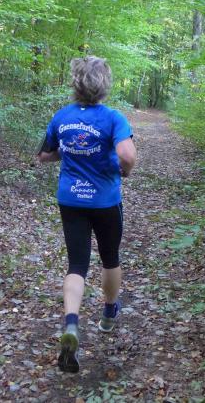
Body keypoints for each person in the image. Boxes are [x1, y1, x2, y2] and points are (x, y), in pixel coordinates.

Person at [37, 56, 137, 373]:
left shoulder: (61, 117)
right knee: (110, 258)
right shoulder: (113, 118)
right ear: (104, 84)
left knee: (77, 264)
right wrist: (125, 170)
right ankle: (108, 314)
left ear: (76, 83)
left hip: (71, 200)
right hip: (105, 201)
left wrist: (69, 151)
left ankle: (71, 324)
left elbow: (44, 155)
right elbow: (126, 154)